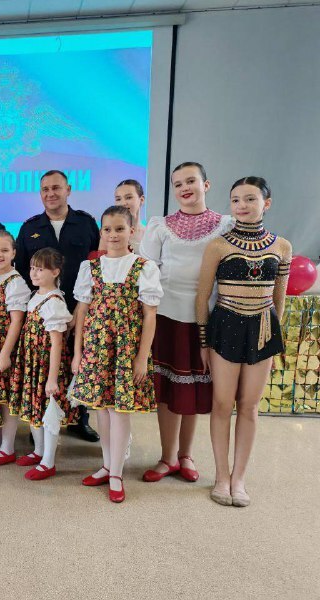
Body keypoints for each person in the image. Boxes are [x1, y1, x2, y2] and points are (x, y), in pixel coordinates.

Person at [196, 176, 291, 508]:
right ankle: (221, 476)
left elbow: (279, 299)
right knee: (222, 404)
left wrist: (275, 337)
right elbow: (202, 297)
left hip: (262, 329)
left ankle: (239, 478)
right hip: (225, 327)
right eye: (236, 200)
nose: (242, 206)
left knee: (249, 406)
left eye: (250, 199)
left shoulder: (282, 247)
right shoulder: (218, 246)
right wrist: (204, 342)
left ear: (266, 203)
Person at [139, 162, 234, 485]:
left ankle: (186, 455)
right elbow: (148, 270)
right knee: (168, 391)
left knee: (191, 388)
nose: (184, 188)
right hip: (166, 317)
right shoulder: (160, 226)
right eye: (178, 184)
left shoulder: (226, 225)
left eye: (190, 181)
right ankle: (167, 457)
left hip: (205, 318)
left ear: (206, 185)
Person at [71, 206, 163, 503]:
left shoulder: (143, 267)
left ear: (132, 231)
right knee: (101, 408)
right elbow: (82, 311)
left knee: (120, 410)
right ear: (101, 232)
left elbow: (150, 315)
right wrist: (78, 352)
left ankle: (117, 473)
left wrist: (141, 357)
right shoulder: (90, 267)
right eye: (108, 229)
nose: (113, 234)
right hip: (96, 349)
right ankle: (107, 464)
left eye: (120, 229)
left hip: (126, 350)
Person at [15, 169, 100, 442]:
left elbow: (96, 265)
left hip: (80, 307)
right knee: (45, 367)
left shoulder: (86, 224)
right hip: (45, 312)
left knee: (79, 364)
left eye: (56, 188)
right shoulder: (29, 228)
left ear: (68, 190)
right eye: (45, 189)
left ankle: (79, 419)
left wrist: (80, 310)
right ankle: (41, 421)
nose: (50, 194)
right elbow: (22, 271)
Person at [10, 248, 79, 480]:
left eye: (40, 269)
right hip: (33, 364)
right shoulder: (36, 296)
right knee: (34, 408)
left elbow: (57, 342)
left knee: (49, 412)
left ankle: (48, 461)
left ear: (55, 272)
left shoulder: (54, 302)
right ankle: (38, 451)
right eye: (32, 268)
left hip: (47, 366)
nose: (34, 273)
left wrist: (51, 378)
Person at [0, 230, 32, 467]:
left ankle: (7, 447)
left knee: (7, 399)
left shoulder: (16, 282)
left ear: (13, 253)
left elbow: (17, 320)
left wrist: (5, 353)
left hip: (5, 347)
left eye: (4, 250)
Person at [114, 180, 147, 252]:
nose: (123, 203)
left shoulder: (150, 234)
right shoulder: (110, 234)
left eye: (128, 197)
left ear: (141, 200)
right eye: (118, 199)